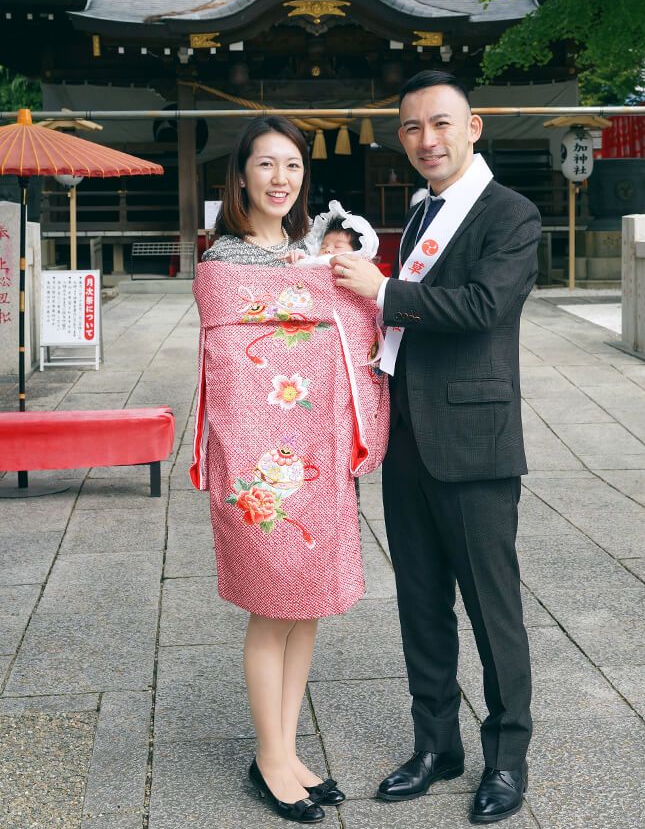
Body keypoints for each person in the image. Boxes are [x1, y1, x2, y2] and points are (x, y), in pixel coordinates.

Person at [331, 70, 541, 824]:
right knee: (421, 603)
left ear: (473, 127)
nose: (428, 140)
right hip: (409, 437)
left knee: (493, 610)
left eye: (442, 123)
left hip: (477, 442)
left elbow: (485, 307)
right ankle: (436, 747)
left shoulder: (510, 215)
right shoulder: (420, 212)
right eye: (414, 127)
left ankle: (507, 760)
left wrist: (382, 289)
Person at [194, 117, 389, 826]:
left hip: (318, 452)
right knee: (269, 607)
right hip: (263, 466)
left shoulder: (314, 257)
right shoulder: (222, 264)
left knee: (305, 607)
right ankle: (270, 757)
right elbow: (238, 369)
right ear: (241, 174)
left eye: (294, 167)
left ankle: (285, 747)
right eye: (267, 165)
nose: (281, 179)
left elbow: (356, 326)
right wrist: (331, 301)